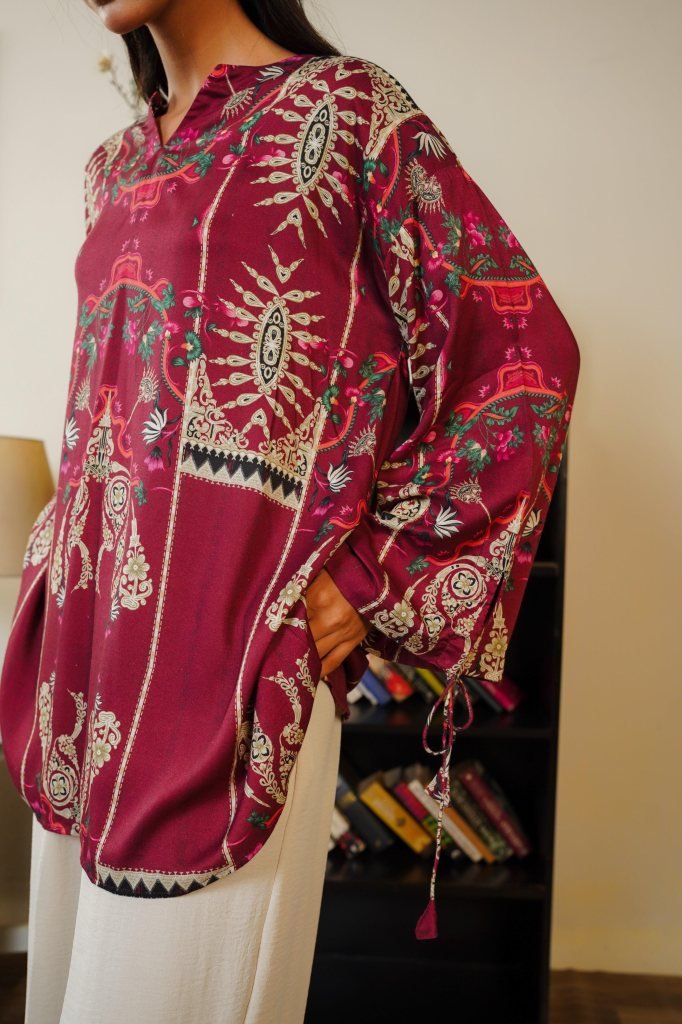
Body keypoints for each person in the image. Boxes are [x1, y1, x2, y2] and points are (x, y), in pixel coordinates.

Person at [0, 0, 581, 1020]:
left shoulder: (349, 114)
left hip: (226, 692)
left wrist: (371, 576)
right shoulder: (114, 165)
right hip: (82, 687)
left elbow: (523, 357)